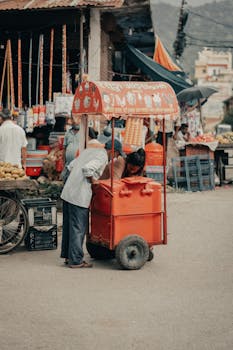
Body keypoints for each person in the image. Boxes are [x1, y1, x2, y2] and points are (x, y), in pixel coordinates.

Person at [60, 139, 123, 268]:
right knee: (78, 228)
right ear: (113, 151)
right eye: (116, 155)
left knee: (69, 227)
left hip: (68, 192)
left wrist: (76, 180)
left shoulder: (89, 151)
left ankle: (69, 257)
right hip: (79, 196)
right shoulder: (103, 156)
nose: (115, 158)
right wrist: (93, 181)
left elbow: (71, 165)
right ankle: (76, 260)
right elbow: (87, 169)